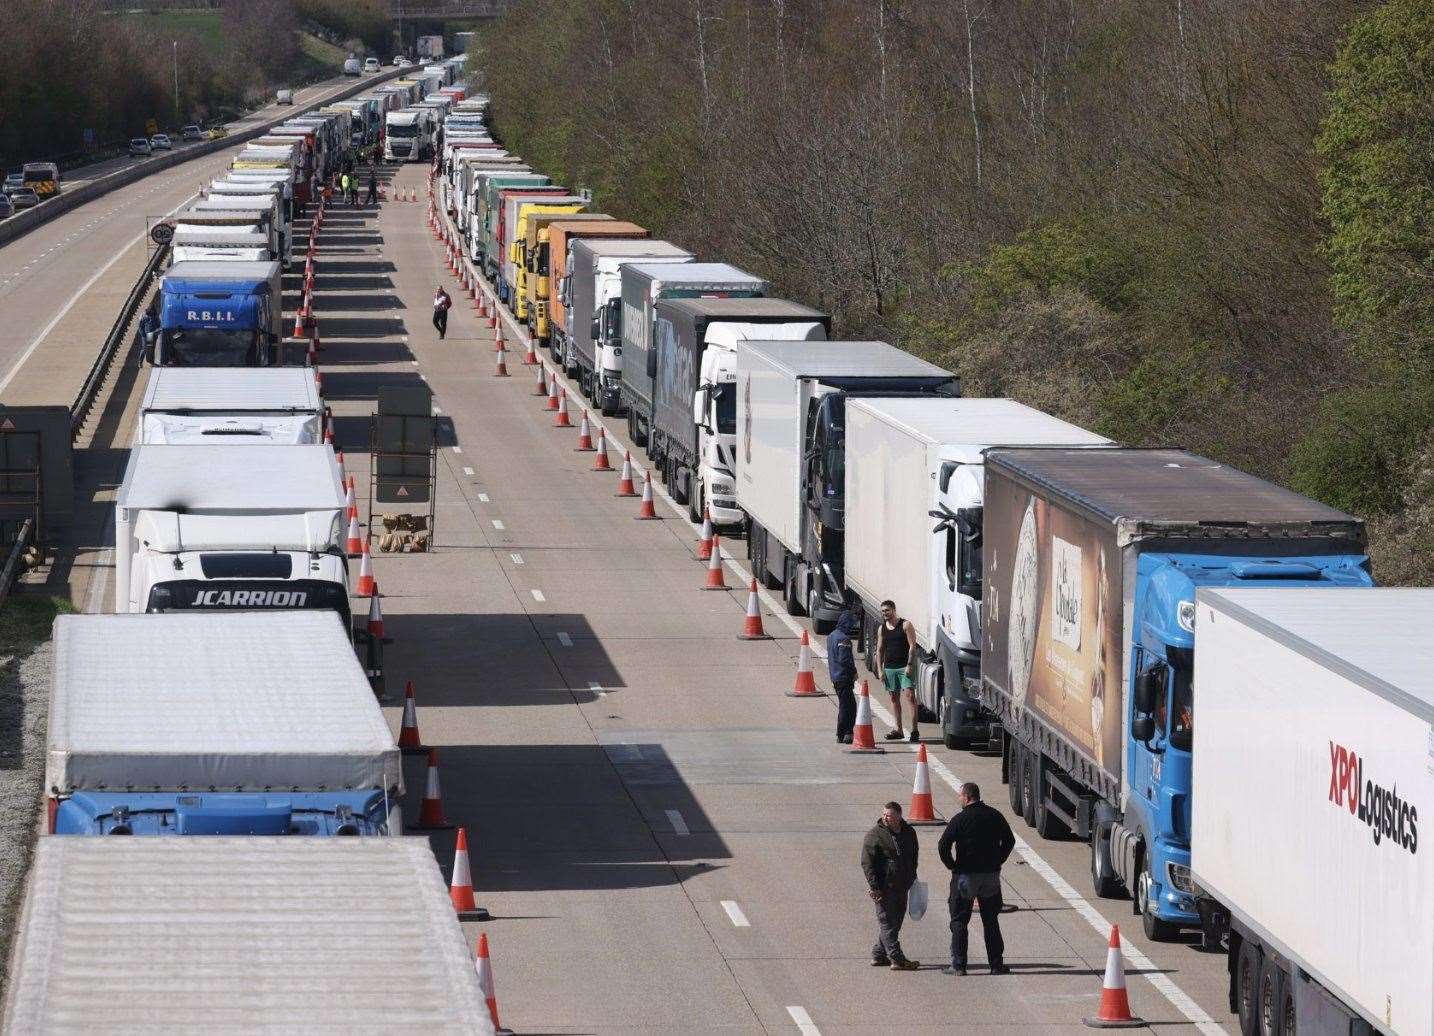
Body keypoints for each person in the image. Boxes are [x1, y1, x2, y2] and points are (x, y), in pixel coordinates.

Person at [937, 782, 1016, 976]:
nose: (959, 799)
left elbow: (943, 845)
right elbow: (1010, 840)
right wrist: (998, 860)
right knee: (991, 920)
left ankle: (959, 965)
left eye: (960, 796)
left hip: (966, 876)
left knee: (959, 920)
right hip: (990, 877)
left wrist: (952, 866)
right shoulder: (994, 815)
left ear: (966, 796)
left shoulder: (960, 819)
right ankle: (996, 965)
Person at [861, 802, 921, 971]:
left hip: (903, 885)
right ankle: (897, 958)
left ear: (899, 816)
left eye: (889, 815)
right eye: (884, 814)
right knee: (886, 921)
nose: (885, 817)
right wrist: (874, 886)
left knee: (895, 922)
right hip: (883, 887)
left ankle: (879, 954)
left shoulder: (909, 832)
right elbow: (867, 863)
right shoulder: (875, 835)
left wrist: (912, 875)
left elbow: (914, 854)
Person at [875, 599, 919, 742]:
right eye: (882, 611)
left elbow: (912, 646)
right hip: (889, 668)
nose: (885, 614)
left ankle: (914, 730)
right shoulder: (882, 628)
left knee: (910, 697)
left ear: (894, 610)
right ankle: (898, 730)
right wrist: (880, 670)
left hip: (904, 667)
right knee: (894, 698)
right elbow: (879, 650)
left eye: (887, 610)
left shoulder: (905, 625)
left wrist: (910, 665)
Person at [827, 609, 859, 743]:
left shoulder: (832, 635)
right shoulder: (844, 639)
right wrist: (854, 672)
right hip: (843, 677)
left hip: (834, 676)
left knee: (844, 705)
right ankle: (846, 733)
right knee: (849, 707)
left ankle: (842, 733)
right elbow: (845, 660)